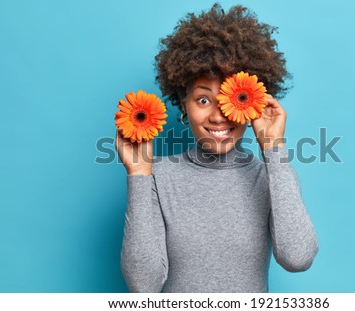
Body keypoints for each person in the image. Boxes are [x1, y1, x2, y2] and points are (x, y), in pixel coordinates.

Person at [115, 3, 318, 293]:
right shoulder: (157, 176)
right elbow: (142, 284)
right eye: (203, 99)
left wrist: (274, 148)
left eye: (229, 100)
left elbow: (298, 257)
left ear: (251, 104)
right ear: (183, 104)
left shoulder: (269, 176)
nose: (217, 116)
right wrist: (137, 173)